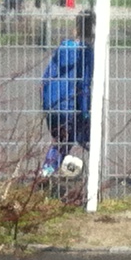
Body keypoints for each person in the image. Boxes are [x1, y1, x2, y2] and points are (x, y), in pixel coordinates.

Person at [41, 10, 95, 178]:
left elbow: (45, 78)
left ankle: (50, 170)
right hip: (70, 106)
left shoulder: (62, 48)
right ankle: (48, 171)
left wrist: (46, 103)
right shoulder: (87, 54)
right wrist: (85, 113)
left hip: (51, 104)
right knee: (77, 136)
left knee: (63, 139)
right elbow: (83, 85)